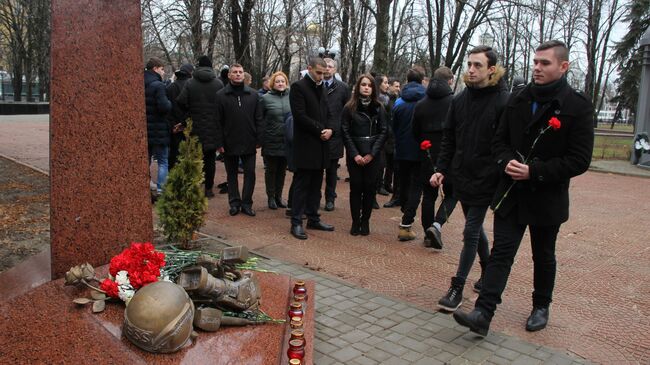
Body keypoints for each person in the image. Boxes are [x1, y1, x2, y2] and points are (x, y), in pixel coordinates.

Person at [453, 40, 594, 336]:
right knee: (502, 252)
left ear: (563, 67)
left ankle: (541, 305)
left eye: (545, 63)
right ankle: (483, 311)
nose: (537, 68)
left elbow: (579, 160)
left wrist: (535, 171)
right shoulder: (518, 98)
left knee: (543, 255)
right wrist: (506, 162)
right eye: (535, 62)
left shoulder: (576, 106)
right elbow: (499, 141)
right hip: (511, 192)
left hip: (547, 196)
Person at [429, 45, 509, 311]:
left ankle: (457, 287)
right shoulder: (459, 100)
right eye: (470, 65)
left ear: (491, 70)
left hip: (488, 178)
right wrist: (441, 168)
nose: (471, 70)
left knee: (470, 230)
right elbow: (449, 139)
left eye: (478, 65)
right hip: (462, 177)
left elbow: (505, 142)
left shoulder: (502, 101)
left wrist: (498, 169)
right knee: (476, 232)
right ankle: (487, 274)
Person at [409, 66, 458, 249]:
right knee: (453, 193)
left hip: (427, 153)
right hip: (449, 155)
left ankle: (428, 232)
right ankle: (437, 224)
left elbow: (414, 130)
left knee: (428, 195)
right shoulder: (454, 102)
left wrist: (424, 143)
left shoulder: (421, 104)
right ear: (450, 81)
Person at [289, 57, 335, 240]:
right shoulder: (298, 87)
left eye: (324, 73)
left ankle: (313, 217)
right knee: (302, 184)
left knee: (316, 184)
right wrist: (320, 130)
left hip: (321, 144)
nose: (321, 76)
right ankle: (296, 221)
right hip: (306, 144)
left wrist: (331, 129)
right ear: (309, 69)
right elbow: (299, 115)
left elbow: (329, 112)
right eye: (318, 72)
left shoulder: (321, 87)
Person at [341, 74, 388, 235]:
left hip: (372, 155)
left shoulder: (379, 107)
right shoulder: (349, 107)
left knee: (369, 188)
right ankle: (355, 221)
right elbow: (345, 132)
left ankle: (365, 221)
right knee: (356, 188)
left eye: (369, 85)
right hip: (355, 153)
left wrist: (372, 154)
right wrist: (355, 154)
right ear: (358, 87)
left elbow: (383, 131)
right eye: (363, 85)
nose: (366, 87)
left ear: (373, 88)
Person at [215, 64, 263, 217]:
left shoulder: (254, 95)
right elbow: (217, 121)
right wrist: (219, 143)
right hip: (229, 141)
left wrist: (259, 138)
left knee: (250, 173)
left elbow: (259, 118)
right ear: (229, 75)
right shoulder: (221, 95)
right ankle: (234, 202)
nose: (237, 74)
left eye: (240, 72)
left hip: (249, 140)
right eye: (234, 72)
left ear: (244, 75)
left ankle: (247, 203)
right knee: (232, 174)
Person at [177, 55, 224, 197]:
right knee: (210, 159)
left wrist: (188, 114)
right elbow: (223, 105)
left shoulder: (190, 83)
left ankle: (195, 187)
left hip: (194, 126)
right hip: (212, 127)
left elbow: (180, 101)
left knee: (194, 158)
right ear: (210, 67)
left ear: (198, 66)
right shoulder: (218, 84)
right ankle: (208, 189)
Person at [392, 67, 427, 241]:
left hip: (402, 149)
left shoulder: (399, 101)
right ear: (422, 80)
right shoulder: (427, 100)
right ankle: (407, 221)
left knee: (404, 183)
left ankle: (405, 209)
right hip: (420, 151)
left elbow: (394, 126)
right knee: (416, 187)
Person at [322, 58, 350, 212]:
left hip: (335, 135)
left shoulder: (343, 88)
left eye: (330, 66)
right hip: (317, 133)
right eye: (325, 66)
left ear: (335, 70)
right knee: (316, 170)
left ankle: (330, 198)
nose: (327, 69)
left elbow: (346, 113)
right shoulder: (315, 85)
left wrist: (335, 129)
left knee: (332, 171)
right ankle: (314, 198)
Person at [261, 71, 291, 210]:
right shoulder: (265, 98)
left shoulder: (291, 96)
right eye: (278, 81)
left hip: (287, 140)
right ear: (273, 83)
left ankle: (279, 196)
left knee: (282, 171)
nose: (280, 84)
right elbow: (260, 119)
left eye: (283, 81)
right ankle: (271, 197)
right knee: (271, 170)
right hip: (271, 139)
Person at [144, 57, 172, 197]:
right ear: (155, 68)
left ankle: (145, 185)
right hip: (159, 129)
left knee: (146, 160)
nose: (163, 72)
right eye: (162, 69)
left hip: (145, 130)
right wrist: (169, 103)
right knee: (162, 161)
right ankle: (161, 190)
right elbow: (164, 107)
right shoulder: (159, 85)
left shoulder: (139, 82)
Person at [166, 63, 194, 170]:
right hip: (188, 124)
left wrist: (173, 125)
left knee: (174, 153)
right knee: (188, 153)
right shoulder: (191, 86)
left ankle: (172, 177)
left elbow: (168, 109)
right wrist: (184, 123)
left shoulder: (170, 87)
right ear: (190, 73)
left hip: (174, 127)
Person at [383, 77, 402, 207]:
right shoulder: (387, 100)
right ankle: (383, 184)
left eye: (399, 86)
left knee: (392, 164)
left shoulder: (396, 99)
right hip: (388, 135)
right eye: (396, 86)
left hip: (393, 136)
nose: (398, 88)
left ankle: (387, 184)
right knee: (386, 163)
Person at [374, 74, 391, 197]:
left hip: (385, 136)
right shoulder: (376, 100)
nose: (387, 85)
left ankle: (378, 186)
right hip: (375, 136)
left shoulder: (387, 98)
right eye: (385, 82)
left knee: (381, 165)